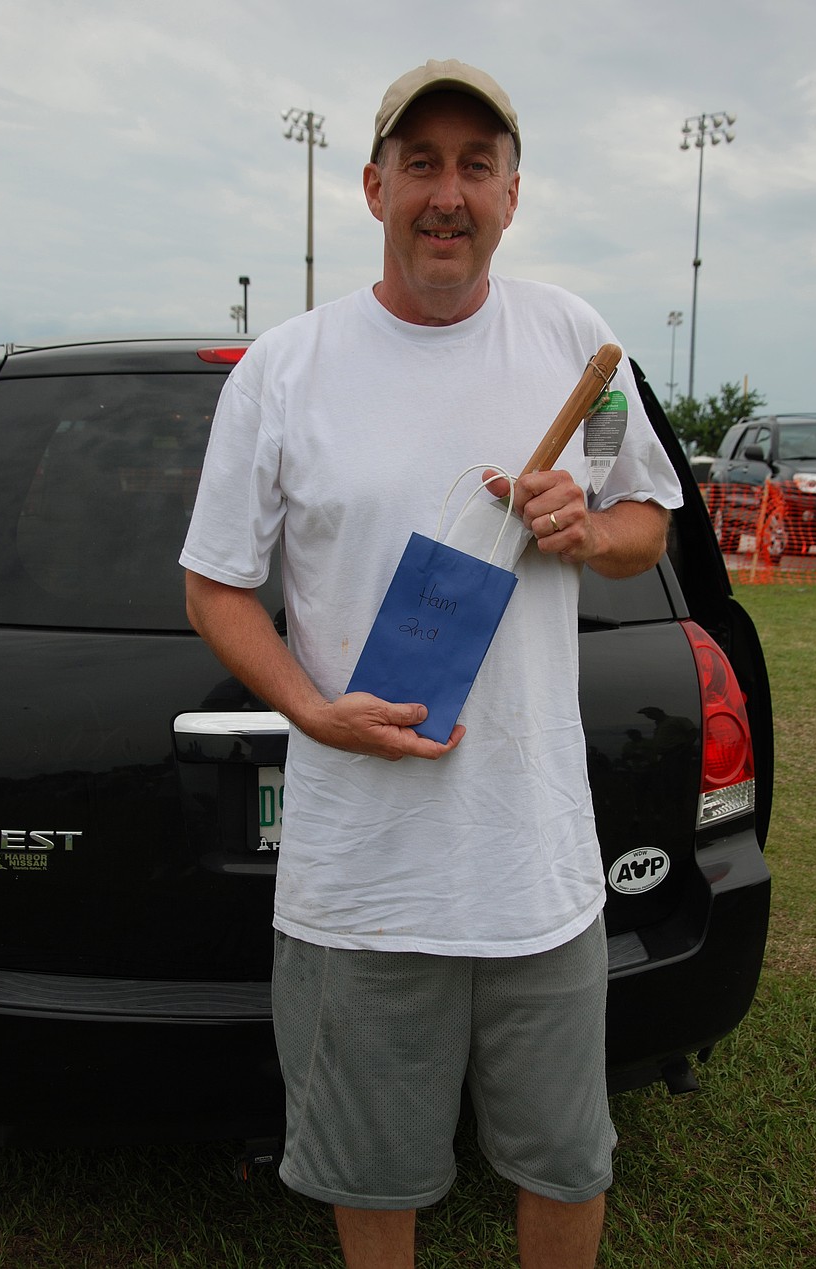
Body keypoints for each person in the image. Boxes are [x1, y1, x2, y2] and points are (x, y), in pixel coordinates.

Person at [180, 58, 683, 1269]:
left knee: (565, 1162)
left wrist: (587, 526)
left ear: (514, 192)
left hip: (536, 871)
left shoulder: (580, 344)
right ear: (372, 186)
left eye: (474, 165)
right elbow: (213, 584)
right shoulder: (283, 372)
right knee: (376, 1177)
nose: (445, 194)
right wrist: (308, 707)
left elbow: (645, 524)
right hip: (360, 885)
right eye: (420, 164)